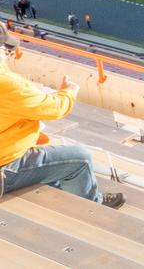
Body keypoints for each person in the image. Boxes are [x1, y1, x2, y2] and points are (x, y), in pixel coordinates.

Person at [0, 55, 125, 209]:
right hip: (5, 168)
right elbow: (54, 108)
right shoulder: (6, 83)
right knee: (80, 158)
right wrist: (68, 91)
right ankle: (92, 208)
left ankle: (64, 197)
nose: (8, 53)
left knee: (53, 162)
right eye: (6, 48)